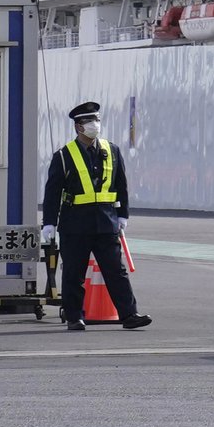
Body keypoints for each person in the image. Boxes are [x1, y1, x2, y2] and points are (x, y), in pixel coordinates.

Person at [41, 101, 151, 331]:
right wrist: (49, 222)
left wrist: (123, 214)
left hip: (106, 222)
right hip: (75, 224)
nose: (94, 125)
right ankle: (74, 316)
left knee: (116, 271)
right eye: (89, 122)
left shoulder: (112, 150)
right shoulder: (63, 155)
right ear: (78, 127)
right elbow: (52, 192)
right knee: (73, 273)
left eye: (96, 120)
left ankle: (129, 314)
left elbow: (121, 185)